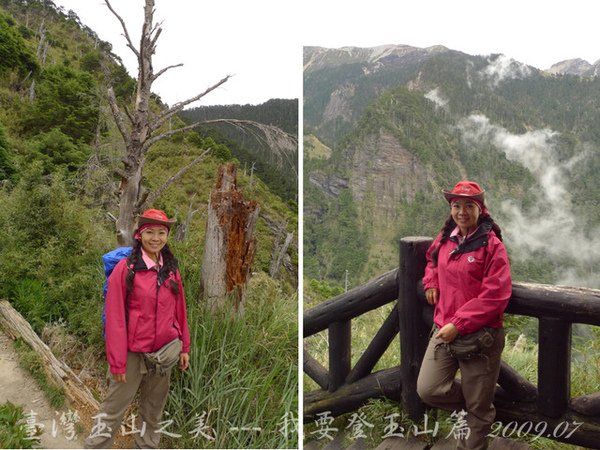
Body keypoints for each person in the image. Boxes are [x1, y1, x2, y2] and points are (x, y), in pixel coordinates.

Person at [416, 180, 512, 450]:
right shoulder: (446, 237)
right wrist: (431, 280)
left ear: (480, 209)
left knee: (478, 411)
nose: (462, 212)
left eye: (469, 206)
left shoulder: (492, 245)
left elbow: (496, 295)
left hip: (481, 337)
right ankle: (476, 405)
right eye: (456, 206)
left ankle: (476, 417)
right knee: (428, 388)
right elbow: (432, 260)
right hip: (444, 329)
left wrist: (458, 324)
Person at [85, 208, 191, 449]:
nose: (156, 238)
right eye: (150, 232)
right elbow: (114, 319)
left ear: (167, 236)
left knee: (153, 413)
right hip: (131, 354)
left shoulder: (171, 269)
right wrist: (117, 361)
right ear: (139, 235)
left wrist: (184, 346)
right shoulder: (126, 270)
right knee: (112, 410)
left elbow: (180, 310)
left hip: (163, 353)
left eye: (161, 233)